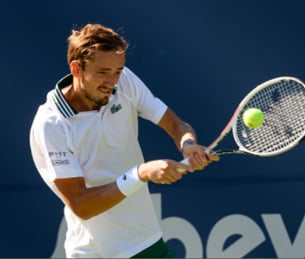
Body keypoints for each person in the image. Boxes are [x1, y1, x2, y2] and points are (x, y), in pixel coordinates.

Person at [29, 23, 219, 258]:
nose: (112, 82)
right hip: (96, 253)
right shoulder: (51, 124)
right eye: (102, 72)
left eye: (117, 71)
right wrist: (141, 173)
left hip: (147, 243)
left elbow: (176, 125)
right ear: (76, 69)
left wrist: (188, 145)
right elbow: (81, 205)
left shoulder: (124, 82)